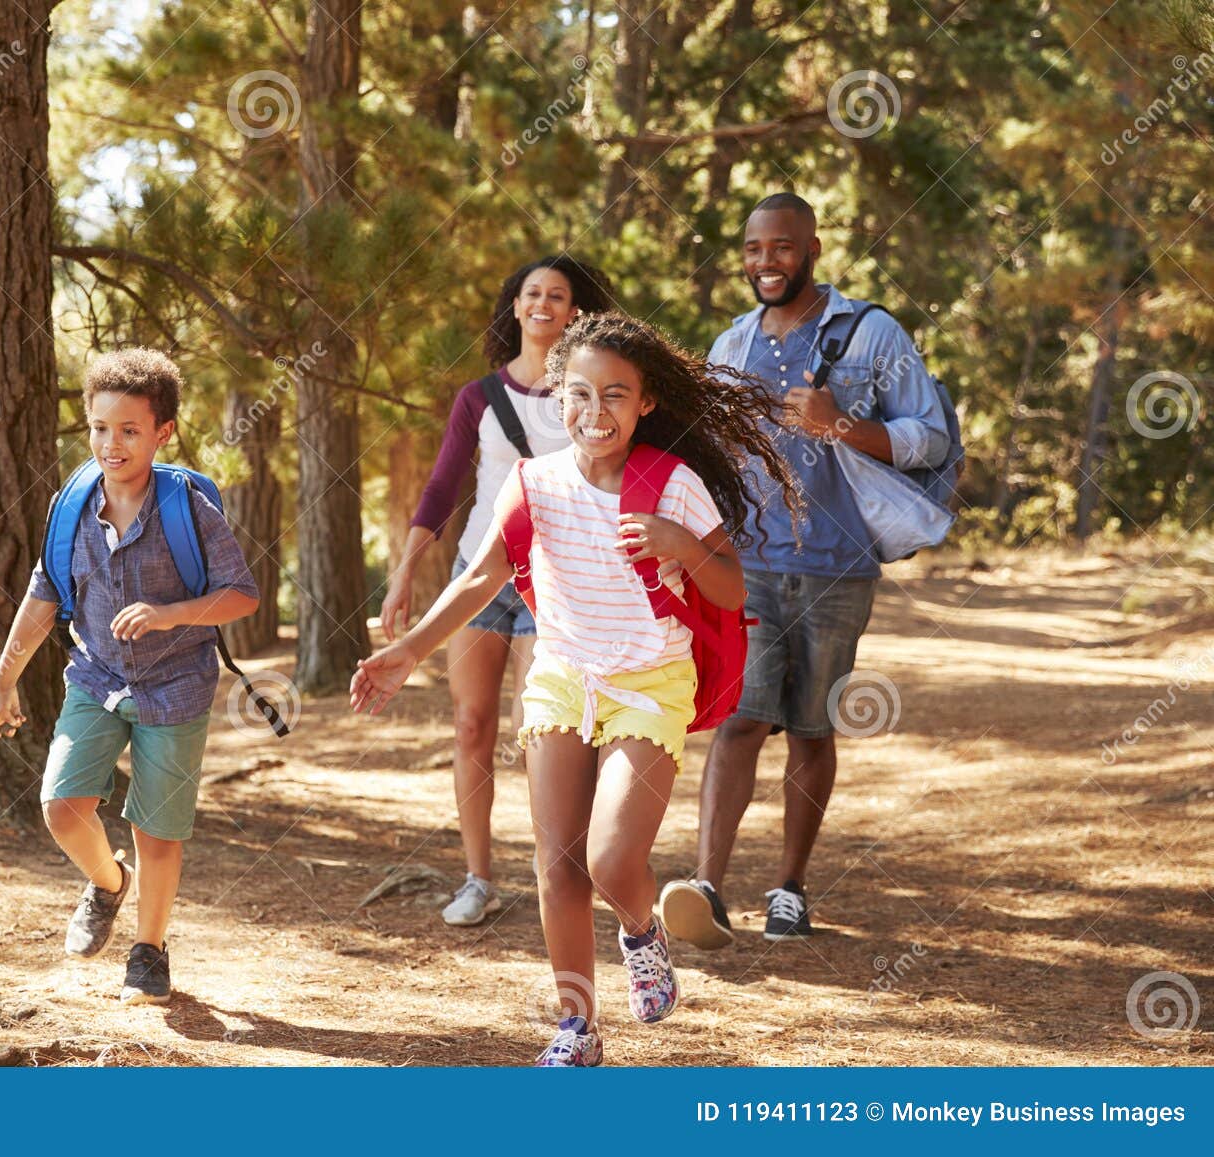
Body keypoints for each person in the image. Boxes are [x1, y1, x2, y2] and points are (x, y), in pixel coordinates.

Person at [352, 313, 798, 1066]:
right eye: (580, 394)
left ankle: (641, 929)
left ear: (646, 402)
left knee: (613, 859)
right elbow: (481, 576)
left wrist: (680, 546)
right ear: (559, 395)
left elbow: (729, 587)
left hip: (649, 679)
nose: (596, 412)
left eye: (615, 395)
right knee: (557, 864)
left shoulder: (673, 484)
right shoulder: (536, 483)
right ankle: (577, 1026)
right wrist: (408, 647)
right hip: (562, 676)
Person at [659, 192, 952, 949]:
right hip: (747, 560)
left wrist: (841, 425)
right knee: (740, 717)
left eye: (782, 248)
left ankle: (789, 888)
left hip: (839, 566)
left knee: (813, 727)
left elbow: (930, 439)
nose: (766, 263)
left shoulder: (871, 333)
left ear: (812, 248)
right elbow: (713, 456)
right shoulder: (731, 345)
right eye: (754, 249)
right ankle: (708, 887)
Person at [0, 348, 259, 1005]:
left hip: (177, 685)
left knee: (157, 828)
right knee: (61, 805)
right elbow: (46, 589)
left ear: (163, 431)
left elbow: (242, 594)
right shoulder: (72, 503)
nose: (112, 444)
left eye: (130, 430)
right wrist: (4, 679)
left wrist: (171, 614)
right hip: (97, 675)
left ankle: (148, 948)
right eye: (100, 428)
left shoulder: (188, 508)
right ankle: (110, 883)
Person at [381, 255, 614, 927]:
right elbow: (444, 487)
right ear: (515, 307)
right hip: (479, 577)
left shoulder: (590, 389)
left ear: (576, 312)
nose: (542, 303)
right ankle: (478, 876)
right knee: (472, 725)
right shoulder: (479, 397)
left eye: (557, 295)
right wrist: (404, 570)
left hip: (557, 583)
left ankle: (559, 872)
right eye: (531, 293)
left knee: (541, 730)